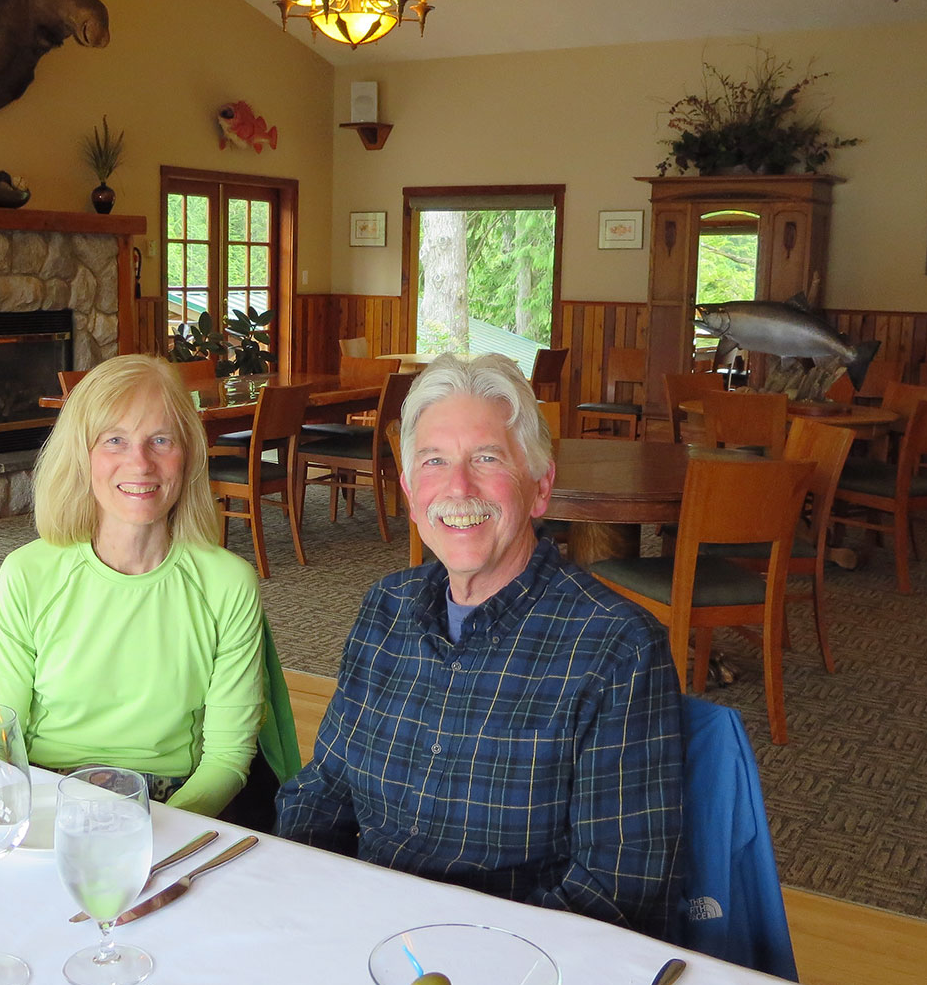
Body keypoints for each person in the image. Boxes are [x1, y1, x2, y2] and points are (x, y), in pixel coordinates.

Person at [276, 353, 683, 937]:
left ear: (540, 487)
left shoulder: (616, 648)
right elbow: (325, 788)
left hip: (510, 966)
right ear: (411, 493)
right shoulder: (385, 608)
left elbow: (616, 889)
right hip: (360, 934)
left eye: (487, 458)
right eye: (434, 461)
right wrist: (297, 897)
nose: (458, 487)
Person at [0, 354, 266, 818]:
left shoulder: (228, 583)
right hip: (45, 791)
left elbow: (227, 759)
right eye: (115, 440)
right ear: (81, 457)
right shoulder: (26, 572)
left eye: (161, 440)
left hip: (171, 803)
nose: (140, 462)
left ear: (188, 455)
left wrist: (154, 830)